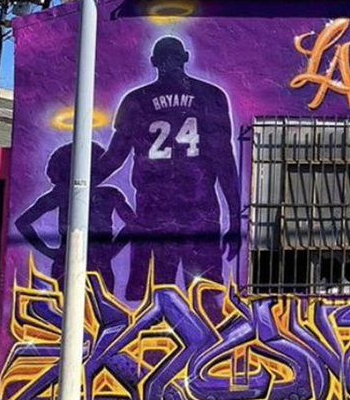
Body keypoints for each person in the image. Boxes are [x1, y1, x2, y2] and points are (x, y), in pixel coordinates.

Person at [97, 36, 241, 296]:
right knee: (204, 294)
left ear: (154, 62)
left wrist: (79, 179)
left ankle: (156, 336)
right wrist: (234, 215)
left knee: (156, 294)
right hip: (198, 210)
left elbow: (115, 157)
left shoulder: (136, 99)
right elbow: (224, 160)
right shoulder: (211, 96)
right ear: (185, 57)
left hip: (156, 210)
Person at [14, 142, 135, 290]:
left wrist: (49, 251)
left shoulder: (65, 194)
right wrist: (111, 251)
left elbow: (22, 222)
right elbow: (133, 224)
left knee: (76, 308)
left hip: (76, 261)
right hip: (88, 261)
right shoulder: (107, 194)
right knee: (95, 308)